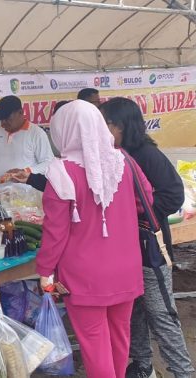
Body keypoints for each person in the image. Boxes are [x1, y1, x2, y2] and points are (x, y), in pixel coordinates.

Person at [36, 100, 150, 378]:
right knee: (119, 335)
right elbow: (147, 196)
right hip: (126, 268)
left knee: (94, 342)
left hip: (83, 275)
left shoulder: (61, 172)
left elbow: (55, 231)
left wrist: (44, 271)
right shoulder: (124, 160)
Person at [100, 97, 193, 378]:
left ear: (121, 125)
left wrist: (138, 220)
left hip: (149, 251)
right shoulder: (111, 156)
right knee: (134, 314)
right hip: (124, 254)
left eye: (106, 124)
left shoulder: (146, 154)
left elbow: (173, 193)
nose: (102, 131)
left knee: (162, 315)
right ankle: (142, 366)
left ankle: (182, 372)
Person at [0, 95, 53, 192]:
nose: (3, 123)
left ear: (21, 113)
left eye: (7, 119)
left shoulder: (37, 133)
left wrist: (26, 171)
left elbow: (48, 163)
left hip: (25, 197)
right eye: (1, 119)